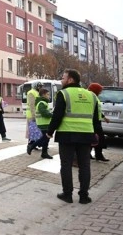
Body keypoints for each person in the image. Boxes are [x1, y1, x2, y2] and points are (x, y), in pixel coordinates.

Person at [46, 69, 99, 204]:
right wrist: (96, 135)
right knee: (85, 165)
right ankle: (84, 196)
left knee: (66, 165)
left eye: (63, 78)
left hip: (67, 135)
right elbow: (95, 119)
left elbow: (57, 115)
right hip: (87, 135)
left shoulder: (63, 94)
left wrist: (50, 131)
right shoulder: (91, 95)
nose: (61, 80)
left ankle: (67, 194)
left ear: (70, 80)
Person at [26, 88, 53, 159]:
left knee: (46, 138)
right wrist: (53, 115)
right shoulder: (41, 103)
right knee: (45, 137)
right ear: (43, 95)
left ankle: (44, 153)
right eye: (48, 94)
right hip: (43, 123)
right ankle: (31, 146)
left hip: (45, 123)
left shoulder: (44, 102)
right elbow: (44, 113)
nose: (49, 96)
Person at [87, 83, 110, 162]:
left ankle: (95, 155)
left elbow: (98, 110)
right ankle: (97, 155)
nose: (100, 92)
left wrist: (104, 117)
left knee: (96, 139)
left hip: (97, 121)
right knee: (97, 139)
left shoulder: (95, 97)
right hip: (94, 122)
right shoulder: (91, 97)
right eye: (99, 90)